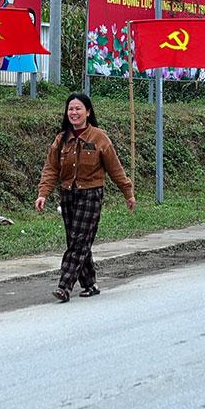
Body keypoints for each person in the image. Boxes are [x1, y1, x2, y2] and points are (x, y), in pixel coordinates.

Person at [35, 93, 136, 303]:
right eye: (70, 109)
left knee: (80, 240)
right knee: (76, 241)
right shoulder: (61, 139)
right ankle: (90, 284)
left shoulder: (99, 138)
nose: (74, 113)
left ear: (88, 112)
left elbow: (115, 169)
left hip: (91, 194)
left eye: (78, 109)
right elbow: (51, 169)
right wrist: (43, 194)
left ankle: (64, 285)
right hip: (68, 194)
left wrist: (128, 192)